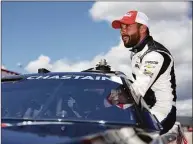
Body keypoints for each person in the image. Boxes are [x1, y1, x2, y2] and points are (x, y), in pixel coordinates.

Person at [111, 10, 177, 134]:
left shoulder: (155, 54)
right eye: (121, 27)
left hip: (161, 111)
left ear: (143, 29)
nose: (122, 31)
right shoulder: (136, 53)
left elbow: (135, 91)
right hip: (144, 109)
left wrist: (105, 100)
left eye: (128, 26)